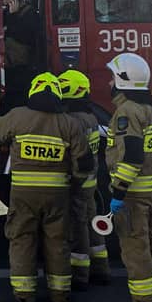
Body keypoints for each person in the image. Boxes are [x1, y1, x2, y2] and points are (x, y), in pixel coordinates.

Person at [0, 72, 88, 302]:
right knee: (58, 242)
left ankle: (25, 294)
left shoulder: (17, 117)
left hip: (23, 195)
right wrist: (75, 184)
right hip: (58, 195)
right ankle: (60, 294)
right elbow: (84, 164)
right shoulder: (69, 124)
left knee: (22, 239)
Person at [104, 52, 152, 302]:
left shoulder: (127, 112)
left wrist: (118, 192)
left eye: (113, 77)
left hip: (133, 195)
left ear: (123, 81)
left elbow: (132, 157)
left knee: (136, 250)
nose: (109, 82)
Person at [58, 69, 111, 290]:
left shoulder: (72, 121)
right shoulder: (91, 117)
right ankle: (101, 268)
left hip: (77, 182)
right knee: (92, 223)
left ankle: (80, 275)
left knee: (77, 227)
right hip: (90, 182)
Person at [1, 0, 43, 111]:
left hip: (23, 67)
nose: (5, 3)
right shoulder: (8, 12)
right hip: (10, 64)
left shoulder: (30, 14)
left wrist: (13, 16)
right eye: (3, 0)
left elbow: (20, 36)